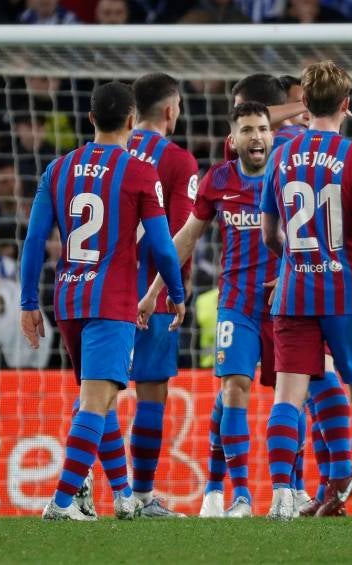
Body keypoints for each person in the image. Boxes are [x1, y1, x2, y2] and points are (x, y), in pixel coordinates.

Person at [20, 81, 186, 521]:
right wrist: (177, 290)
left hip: (68, 299)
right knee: (95, 402)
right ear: (132, 121)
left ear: (90, 119)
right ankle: (60, 503)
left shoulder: (57, 169)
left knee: (102, 395)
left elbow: (35, 239)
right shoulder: (138, 171)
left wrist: (26, 301)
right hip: (111, 302)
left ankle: (124, 495)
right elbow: (164, 246)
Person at [260, 60, 352, 521]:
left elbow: (268, 230)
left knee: (288, 397)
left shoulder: (280, 153)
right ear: (346, 105)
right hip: (346, 292)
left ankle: (282, 497)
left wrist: (291, 259)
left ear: (305, 103)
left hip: (294, 291)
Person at [139, 101, 276, 518]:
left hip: (285, 303)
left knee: (290, 394)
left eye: (264, 129)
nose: (257, 136)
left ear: (273, 134)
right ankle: (241, 497)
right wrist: (152, 292)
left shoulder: (287, 176)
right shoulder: (217, 180)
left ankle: (220, 488)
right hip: (236, 302)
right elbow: (184, 239)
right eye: (248, 129)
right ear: (233, 140)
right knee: (236, 385)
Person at [115, 72, 198, 518]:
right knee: (150, 393)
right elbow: (179, 236)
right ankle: (142, 496)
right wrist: (171, 291)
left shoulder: (110, 150)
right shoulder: (179, 160)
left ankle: (89, 488)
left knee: (98, 394)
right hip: (153, 293)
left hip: (102, 292)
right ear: (170, 110)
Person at [0, 264, 53, 369]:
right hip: (4, 375)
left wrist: (37, 367)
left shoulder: (19, 295)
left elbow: (46, 333)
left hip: (33, 369)